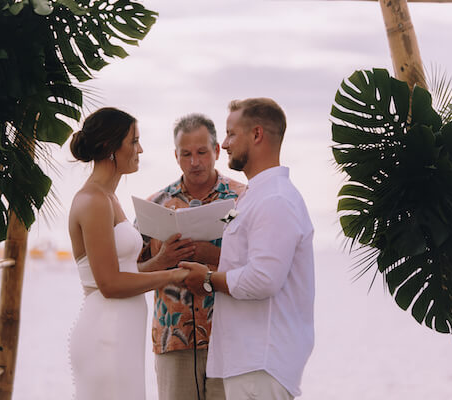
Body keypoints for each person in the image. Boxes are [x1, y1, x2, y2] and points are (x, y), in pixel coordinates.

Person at [181, 98, 315, 400]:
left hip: (262, 363)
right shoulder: (252, 195)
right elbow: (238, 253)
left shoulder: (276, 200)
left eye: (231, 134)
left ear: (257, 135)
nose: (225, 144)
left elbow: (263, 279)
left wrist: (207, 279)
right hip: (247, 361)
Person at [67, 107, 191, 400]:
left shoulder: (109, 198)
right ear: (111, 147)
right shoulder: (93, 201)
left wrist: (162, 261)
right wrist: (171, 275)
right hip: (106, 333)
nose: (141, 149)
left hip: (122, 332)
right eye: (134, 141)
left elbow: (122, 272)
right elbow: (109, 285)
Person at [138, 113, 245, 400]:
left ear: (216, 152)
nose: (194, 162)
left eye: (201, 152)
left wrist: (214, 254)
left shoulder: (243, 198)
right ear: (176, 156)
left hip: (231, 337)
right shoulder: (156, 204)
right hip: (174, 341)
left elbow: (259, 268)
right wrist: (163, 259)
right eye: (186, 154)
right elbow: (132, 275)